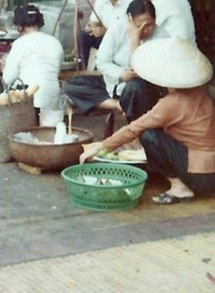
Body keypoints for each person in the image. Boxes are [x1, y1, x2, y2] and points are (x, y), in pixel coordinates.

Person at [80, 38, 215, 204]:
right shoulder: (204, 93)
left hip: (196, 174)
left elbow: (134, 128)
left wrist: (101, 147)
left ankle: (180, 188)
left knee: (148, 135)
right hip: (211, 172)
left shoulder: (172, 103)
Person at [64, 0, 168, 122]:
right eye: (139, 26)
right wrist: (121, 74)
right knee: (72, 85)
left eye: (150, 25)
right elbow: (102, 61)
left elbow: (143, 69)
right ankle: (117, 105)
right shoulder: (118, 29)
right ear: (130, 19)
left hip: (144, 88)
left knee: (135, 87)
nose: (145, 30)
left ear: (155, 21)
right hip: (114, 83)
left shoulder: (163, 37)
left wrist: (135, 40)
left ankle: (133, 124)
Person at [3, 5, 64, 111]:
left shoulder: (19, 44)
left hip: (30, 103)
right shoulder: (55, 42)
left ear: (19, 27)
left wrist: (4, 67)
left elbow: (8, 78)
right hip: (53, 100)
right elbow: (55, 71)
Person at [82, 0, 136, 67]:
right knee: (84, 36)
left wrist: (106, 31)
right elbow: (93, 22)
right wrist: (91, 28)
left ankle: (101, 68)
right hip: (105, 39)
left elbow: (129, 30)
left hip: (122, 42)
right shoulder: (101, 0)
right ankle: (82, 69)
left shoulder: (132, 1)